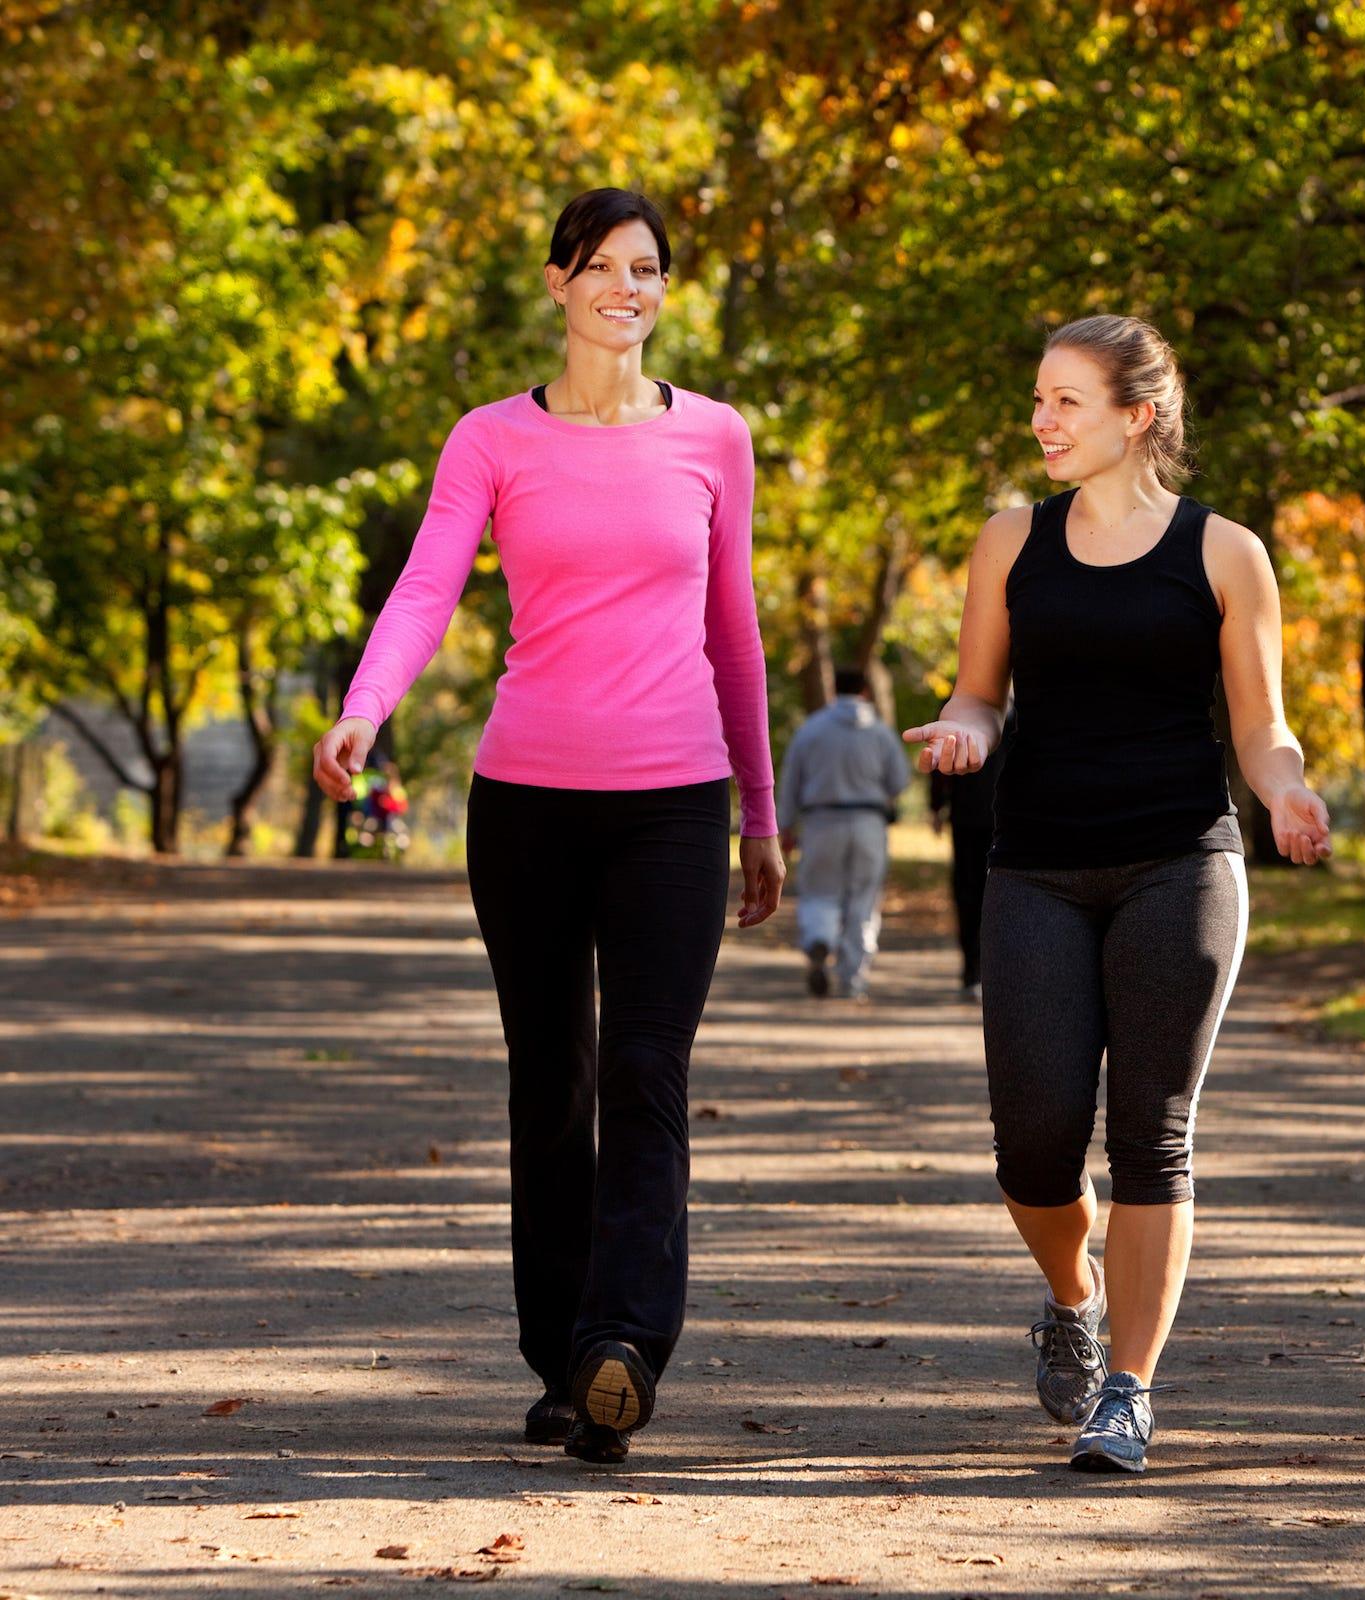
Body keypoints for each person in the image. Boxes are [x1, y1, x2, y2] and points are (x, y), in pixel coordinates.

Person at [311, 188, 784, 1468]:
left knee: (645, 1070)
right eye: (607, 267)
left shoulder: (716, 439)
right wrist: (366, 712)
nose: (630, 287)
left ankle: (622, 1345)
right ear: (558, 282)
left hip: (675, 805)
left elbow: (732, 633)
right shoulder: (488, 441)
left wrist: (759, 808)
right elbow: (425, 587)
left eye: (651, 270)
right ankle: (560, 1354)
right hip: (524, 804)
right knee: (553, 1079)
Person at [906, 315, 1331, 1473]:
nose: (1041, 421)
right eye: (1039, 399)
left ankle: (1130, 1391)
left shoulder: (1226, 553)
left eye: (1066, 402)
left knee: (1153, 1134)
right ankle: (1072, 1290)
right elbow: (982, 694)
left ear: (1137, 415)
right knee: (1034, 1145)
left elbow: (1261, 724)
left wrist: (1287, 791)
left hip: (1180, 862)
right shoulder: (1010, 543)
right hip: (1036, 863)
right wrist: (960, 730)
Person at [777, 667, 911, 1000]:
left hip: (821, 822)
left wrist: (785, 826)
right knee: (863, 900)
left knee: (820, 891)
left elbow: (791, 779)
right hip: (868, 821)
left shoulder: (811, 730)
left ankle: (819, 939)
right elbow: (900, 780)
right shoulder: (880, 732)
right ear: (865, 691)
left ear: (834, 689)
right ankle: (852, 978)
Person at [928, 704, 1013, 1002]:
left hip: (1000, 819)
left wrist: (936, 805)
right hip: (975, 817)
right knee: (969, 892)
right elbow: (940, 761)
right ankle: (973, 970)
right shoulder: (960, 706)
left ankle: (986, 970)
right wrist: (936, 804)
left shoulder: (1025, 703)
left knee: (986, 894)